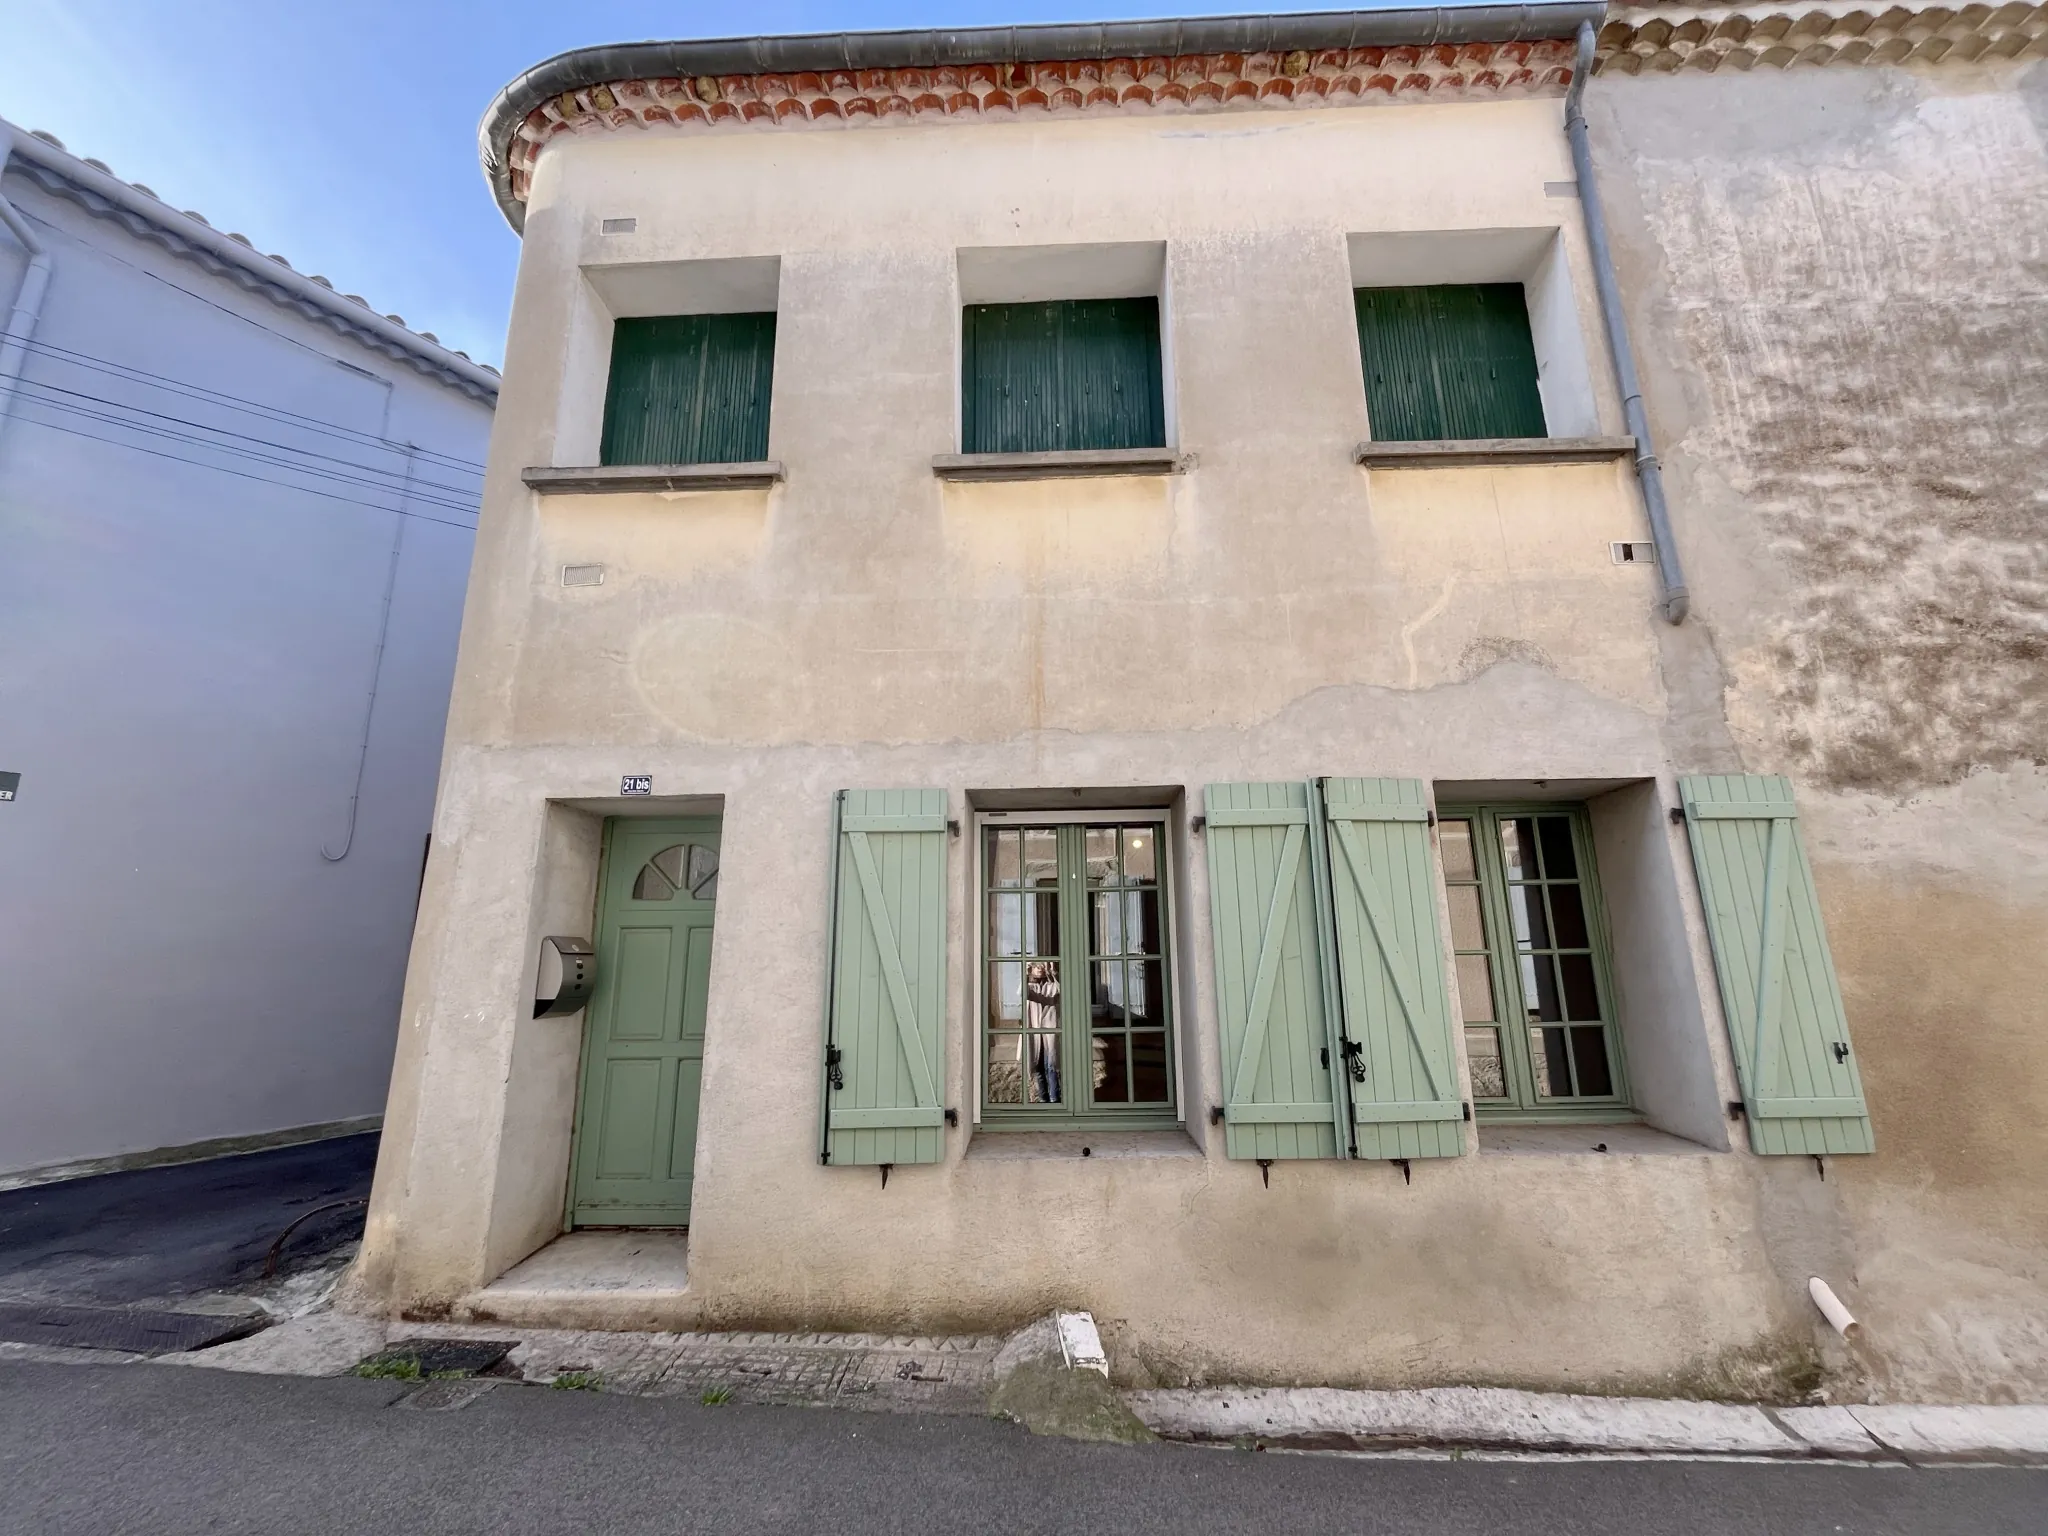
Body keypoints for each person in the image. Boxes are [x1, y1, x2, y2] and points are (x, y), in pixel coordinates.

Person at [1024, 961, 1061, 1104]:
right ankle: (1043, 1097)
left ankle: (1054, 1097)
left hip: (1049, 1032)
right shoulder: (1029, 987)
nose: (1039, 968)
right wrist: (1025, 974)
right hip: (1034, 1031)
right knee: (1037, 1066)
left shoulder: (1051, 986)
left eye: (1042, 966)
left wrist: (1054, 975)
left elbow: (1060, 991)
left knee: (1050, 1066)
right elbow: (1022, 993)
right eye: (1035, 966)